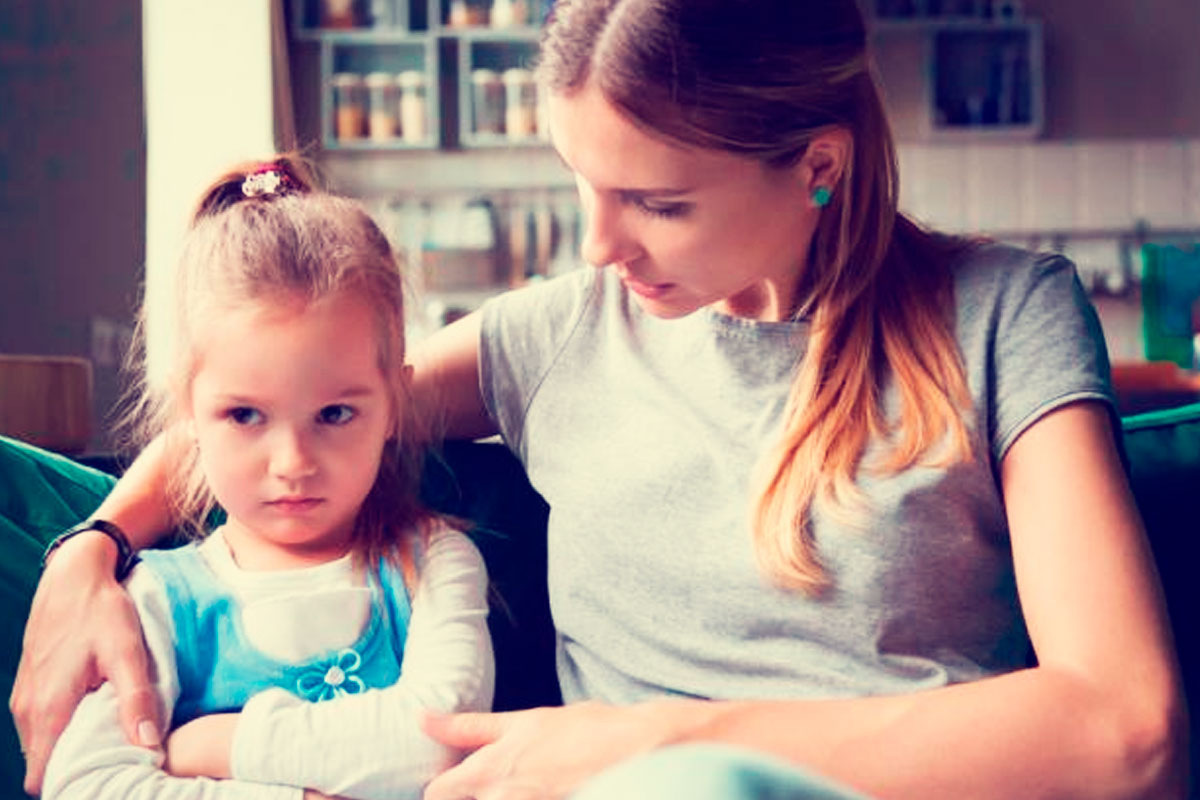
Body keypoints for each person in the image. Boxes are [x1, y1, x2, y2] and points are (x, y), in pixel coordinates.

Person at [13, 1, 1188, 798]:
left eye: (658, 202)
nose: (600, 245)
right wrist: (91, 550)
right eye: (582, 184)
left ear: (818, 165)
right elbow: (279, 409)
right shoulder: (558, 334)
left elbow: (1129, 730)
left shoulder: (1005, 313)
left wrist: (660, 735)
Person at [35, 157, 493, 800]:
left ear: (394, 405)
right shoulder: (160, 599)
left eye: (335, 413)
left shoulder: (435, 562)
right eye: (245, 415)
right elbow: (86, 784)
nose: (293, 462)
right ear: (189, 413)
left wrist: (213, 748)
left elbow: (440, 740)